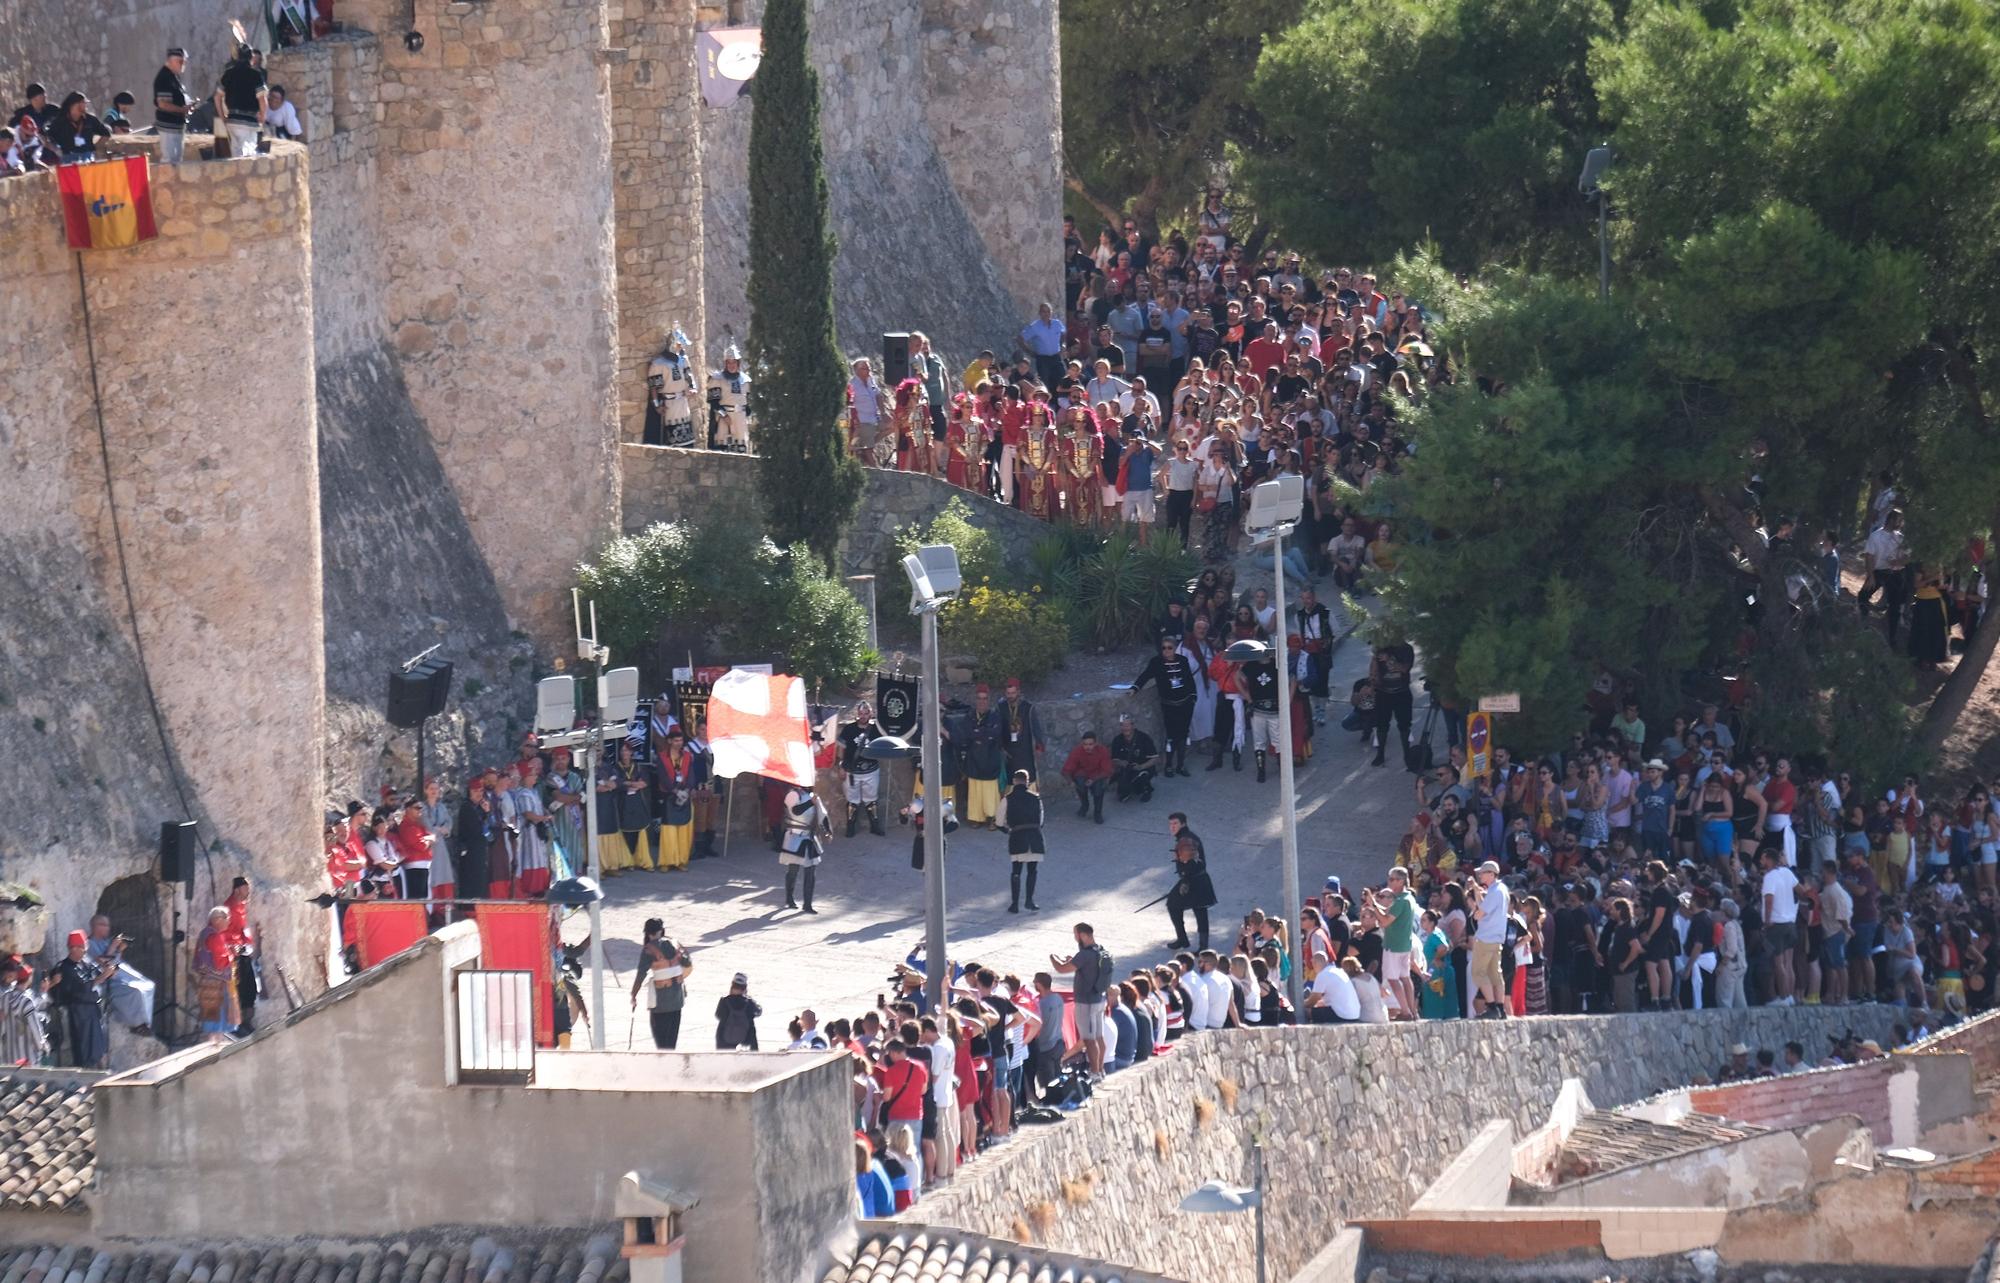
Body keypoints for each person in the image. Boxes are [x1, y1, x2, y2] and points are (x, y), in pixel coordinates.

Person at [1132, 634, 1199, 777]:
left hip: (1185, 704)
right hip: (1169, 706)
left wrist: (1193, 697)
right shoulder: (1156, 662)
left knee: (1183, 735)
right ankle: (1169, 765)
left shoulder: (1183, 660)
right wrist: (1135, 687)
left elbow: (1189, 680)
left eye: (1170, 648)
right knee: (1171, 736)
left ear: (1175, 648)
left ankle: (1181, 765)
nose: (1166, 651)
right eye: (1164, 648)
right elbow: (1146, 675)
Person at [1052, 922, 1112, 1077]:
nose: (1075, 938)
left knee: (1089, 1040)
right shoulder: (1100, 950)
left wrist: (1053, 958)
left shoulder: (1084, 955)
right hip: (1099, 999)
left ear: (1083, 935)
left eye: (1075, 934)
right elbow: (1087, 967)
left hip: (1086, 1003)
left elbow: (1061, 969)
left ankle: (1094, 1073)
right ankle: (1100, 1070)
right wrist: (1074, 960)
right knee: (1099, 1037)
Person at [86, 915, 154, 1036]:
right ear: (96, 927)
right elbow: (102, 963)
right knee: (135, 991)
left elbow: (116, 959)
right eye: (105, 925)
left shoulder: (105, 941)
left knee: (149, 985)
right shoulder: (89, 944)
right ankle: (137, 1025)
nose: (108, 928)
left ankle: (145, 1022)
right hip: (108, 979)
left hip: (120, 972)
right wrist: (113, 946)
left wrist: (120, 949)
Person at [629, 918, 693, 1049]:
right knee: (671, 1042)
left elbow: (641, 974)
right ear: (662, 930)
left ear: (647, 933)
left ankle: (663, 1067)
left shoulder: (648, 949)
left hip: (660, 1003)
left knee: (661, 1044)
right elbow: (687, 963)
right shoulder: (674, 943)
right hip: (677, 1000)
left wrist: (634, 994)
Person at [600, 740, 656, 873]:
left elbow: (644, 782)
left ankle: (641, 860)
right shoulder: (615, 767)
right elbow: (616, 783)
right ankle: (627, 861)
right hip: (622, 802)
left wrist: (629, 784)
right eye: (622, 751)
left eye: (627, 750)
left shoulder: (638, 766)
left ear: (631, 752)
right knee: (625, 831)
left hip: (637, 801)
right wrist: (631, 783)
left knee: (639, 830)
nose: (625, 753)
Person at [653, 726, 704, 871]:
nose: (679, 743)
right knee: (669, 830)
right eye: (676, 740)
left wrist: (687, 789)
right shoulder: (662, 757)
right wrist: (675, 791)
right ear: (669, 741)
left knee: (684, 829)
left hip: (685, 794)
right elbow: (662, 777)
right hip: (669, 795)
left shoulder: (687, 756)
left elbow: (691, 775)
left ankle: (681, 860)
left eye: (681, 740)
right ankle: (666, 861)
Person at [189, 910, 240, 1045]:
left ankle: (214, 1044)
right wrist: (232, 954)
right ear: (217, 920)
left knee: (211, 1016)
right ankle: (217, 1048)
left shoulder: (204, 934)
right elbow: (220, 963)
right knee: (219, 1018)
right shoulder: (215, 937)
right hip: (218, 984)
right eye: (226, 918)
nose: (229, 920)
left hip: (207, 982)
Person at [839, 701, 888, 838]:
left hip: (871, 770)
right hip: (851, 770)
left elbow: (884, 744)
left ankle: (874, 826)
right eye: (861, 713)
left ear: (870, 714)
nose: (863, 716)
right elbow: (841, 748)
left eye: (866, 713)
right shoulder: (849, 729)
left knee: (871, 800)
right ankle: (850, 827)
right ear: (857, 714)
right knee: (852, 801)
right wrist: (841, 766)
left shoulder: (876, 730)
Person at [779, 782, 830, 913]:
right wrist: (810, 803)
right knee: (793, 870)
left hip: (810, 837)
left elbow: (821, 814)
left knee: (811, 872)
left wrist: (827, 830)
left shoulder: (813, 796)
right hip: (794, 836)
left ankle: (807, 904)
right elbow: (795, 811)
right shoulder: (793, 794)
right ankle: (789, 899)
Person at [1468, 860, 1509, 1018]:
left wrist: (1473, 905)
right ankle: (1500, 1008)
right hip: (1496, 937)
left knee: (1478, 972)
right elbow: (1485, 906)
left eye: (1483, 873)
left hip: (1486, 937)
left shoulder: (1495, 892)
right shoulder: (1501, 889)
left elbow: (1479, 914)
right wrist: (1477, 891)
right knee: (1494, 974)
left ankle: (1492, 1007)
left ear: (1492, 874)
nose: (1480, 875)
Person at [1001, 770, 1046, 913]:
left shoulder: (1007, 799)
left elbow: (999, 822)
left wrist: (1008, 830)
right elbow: (1041, 821)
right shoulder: (1036, 798)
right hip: (1034, 837)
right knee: (1032, 871)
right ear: (1027, 782)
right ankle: (1029, 901)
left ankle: (1014, 905)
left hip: (1017, 838)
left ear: (1014, 781)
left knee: (1016, 871)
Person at [1761, 847, 1801, 1005]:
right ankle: (1790, 996)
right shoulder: (1787, 872)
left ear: (1769, 859)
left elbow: (1769, 899)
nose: (1760, 861)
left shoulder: (1770, 876)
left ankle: (1783, 997)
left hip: (1777, 924)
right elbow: (1801, 890)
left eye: (1763, 858)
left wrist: (1767, 920)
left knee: (1778, 963)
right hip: (1791, 923)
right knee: (1788, 963)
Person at [962, 685, 1005, 828]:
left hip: (990, 759)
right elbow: (968, 733)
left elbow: (995, 733)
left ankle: (992, 818)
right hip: (974, 759)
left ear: (988, 700)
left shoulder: (995, 716)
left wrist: (978, 734)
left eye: (984, 699)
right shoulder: (969, 715)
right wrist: (983, 733)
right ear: (976, 700)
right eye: (979, 698)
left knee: (990, 792)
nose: (982, 702)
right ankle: (976, 818)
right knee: (975, 791)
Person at [216, 42, 268, 158]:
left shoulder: (228, 74)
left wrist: (223, 117)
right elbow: (262, 99)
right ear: (252, 58)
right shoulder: (256, 75)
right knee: (247, 156)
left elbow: (217, 97)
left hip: (232, 120)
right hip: (249, 121)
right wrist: (263, 116)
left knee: (236, 154)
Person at [1166, 831, 1216, 950]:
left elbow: (1191, 870)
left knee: (1200, 912)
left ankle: (1203, 947)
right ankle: (1182, 939)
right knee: (1173, 904)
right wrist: (1184, 881)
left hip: (1199, 884)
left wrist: (1185, 881)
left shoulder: (1191, 859)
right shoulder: (1187, 858)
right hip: (1190, 882)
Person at [1, 959, 49, 1066]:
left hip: (9, 1054)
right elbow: (34, 1027)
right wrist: (42, 1045)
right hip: (27, 1056)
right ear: (28, 979)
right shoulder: (27, 1001)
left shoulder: (4, 998)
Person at [707, 345, 753, 452]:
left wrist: (746, 413)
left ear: (738, 363)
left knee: (740, 448)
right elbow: (714, 402)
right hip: (724, 418)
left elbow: (749, 402)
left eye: (734, 362)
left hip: (740, 419)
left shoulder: (745, 380)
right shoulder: (717, 379)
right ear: (725, 363)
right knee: (723, 448)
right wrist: (724, 415)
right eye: (729, 362)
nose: (731, 365)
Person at [1060, 729, 1113, 824]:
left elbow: (1107, 770)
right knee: (1079, 783)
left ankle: (1097, 813)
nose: (1087, 747)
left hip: (1097, 774)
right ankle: (1085, 805)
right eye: (1085, 744)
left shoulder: (1102, 751)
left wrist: (1093, 779)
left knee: (1099, 789)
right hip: (1082, 774)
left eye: (1090, 744)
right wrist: (1070, 782)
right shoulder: (1077, 751)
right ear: (1082, 743)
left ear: (1095, 743)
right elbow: (1066, 770)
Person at [997, 678, 1044, 784]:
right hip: (1008, 751)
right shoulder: (1001, 708)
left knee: (1028, 778)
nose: (1010, 696)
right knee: (1010, 780)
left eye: (1013, 693)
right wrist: (1000, 747)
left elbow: (1035, 727)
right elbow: (998, 729)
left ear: (1018, 692)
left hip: (1025, 750)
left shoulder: (1028, 708)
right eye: (1008, 693)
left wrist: (1039, 745)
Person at [1108, 714, 1160, 803]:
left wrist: (1141, 766)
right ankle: (1129, 790)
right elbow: (1114, 759)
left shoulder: (1144, 738)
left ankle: (1147, 790)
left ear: (1132, 725)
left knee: (1142, 776)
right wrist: (1122, 763)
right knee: (1122, 789)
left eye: (1128, 725)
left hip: (1143, 767)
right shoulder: (1117, 740)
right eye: (1123, 725)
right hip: (1127, 768)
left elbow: (1155, 758)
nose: (1125, 728)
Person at [154, 48, 192, 163]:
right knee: (169, 161)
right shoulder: (164, 78)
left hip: (176, 125)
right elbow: (163, 104)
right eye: (180, 61)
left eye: (184, 62)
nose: (183, 65)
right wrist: (182, 109)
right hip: (168, 125)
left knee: (176, 160)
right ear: (171, 61)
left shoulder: (174, 77)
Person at [715, 972, 761, 1049]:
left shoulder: (724, 1001)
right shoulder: (749, 1002)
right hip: (746, 1040)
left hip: (724, 1040)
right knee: (751, 1028)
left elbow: (718, 1015)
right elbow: (758, 1012)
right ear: (745, 988)